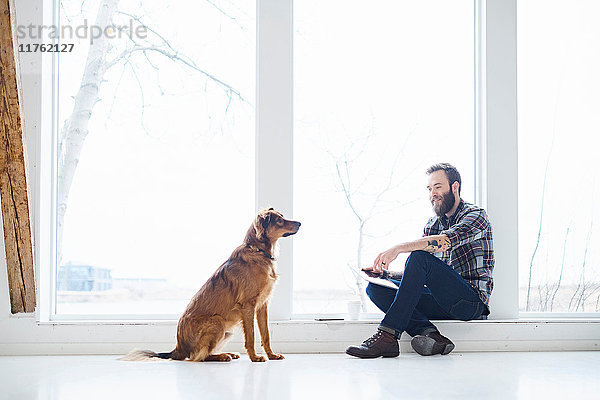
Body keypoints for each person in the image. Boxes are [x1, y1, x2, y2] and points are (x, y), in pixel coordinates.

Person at [346, 163, 494, 358]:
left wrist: (398, 248)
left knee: (418, 255)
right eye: (429, 188)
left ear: (455, 187)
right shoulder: (432, 225)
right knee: (375, 289)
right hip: (440, 300)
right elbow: (421, 274)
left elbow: (444, 242)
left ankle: (387, 336)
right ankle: (431, 335)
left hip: (470, 302)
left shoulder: (475, 216)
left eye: (438, 186)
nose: (433, 193)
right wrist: (386, 275)